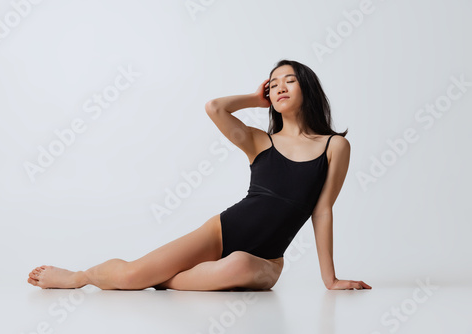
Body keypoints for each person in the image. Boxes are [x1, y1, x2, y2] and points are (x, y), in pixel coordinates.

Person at [27, 59, 372, 291]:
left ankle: (161, 280)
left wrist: (331, 280)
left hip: (265, 259)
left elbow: (322, 209)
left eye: (290, 81)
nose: (280, 87)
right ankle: (79, 277)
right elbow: (215, 108)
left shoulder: (334, 147)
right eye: (274, 83)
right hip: (222, 230)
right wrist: (255, 99)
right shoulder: (258, 140)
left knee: (238, 265)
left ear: (307, 88)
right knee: (133, 274)